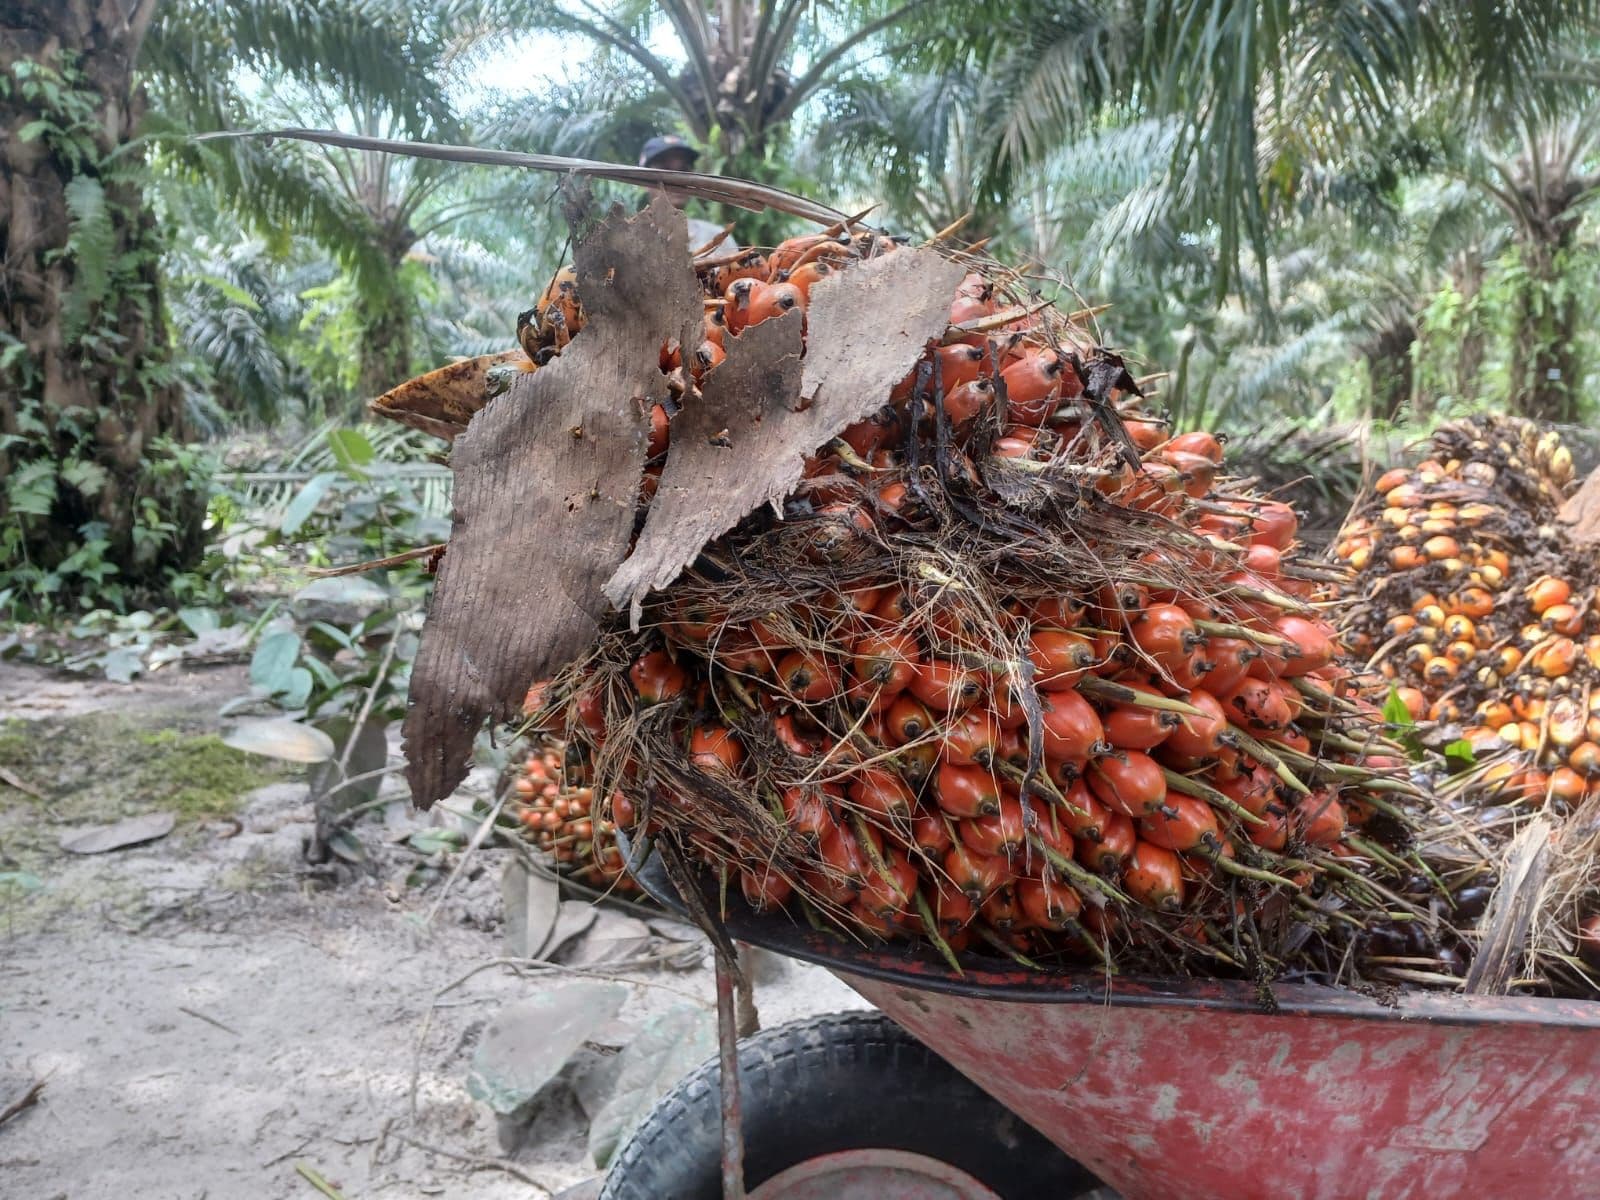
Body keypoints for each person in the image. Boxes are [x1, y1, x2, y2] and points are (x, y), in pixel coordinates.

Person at [638, 134, 738, 251]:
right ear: (641, 180)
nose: (676, 180)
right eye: (664, 170)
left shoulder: (718, 239)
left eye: (684, 171)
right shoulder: (627, 241)